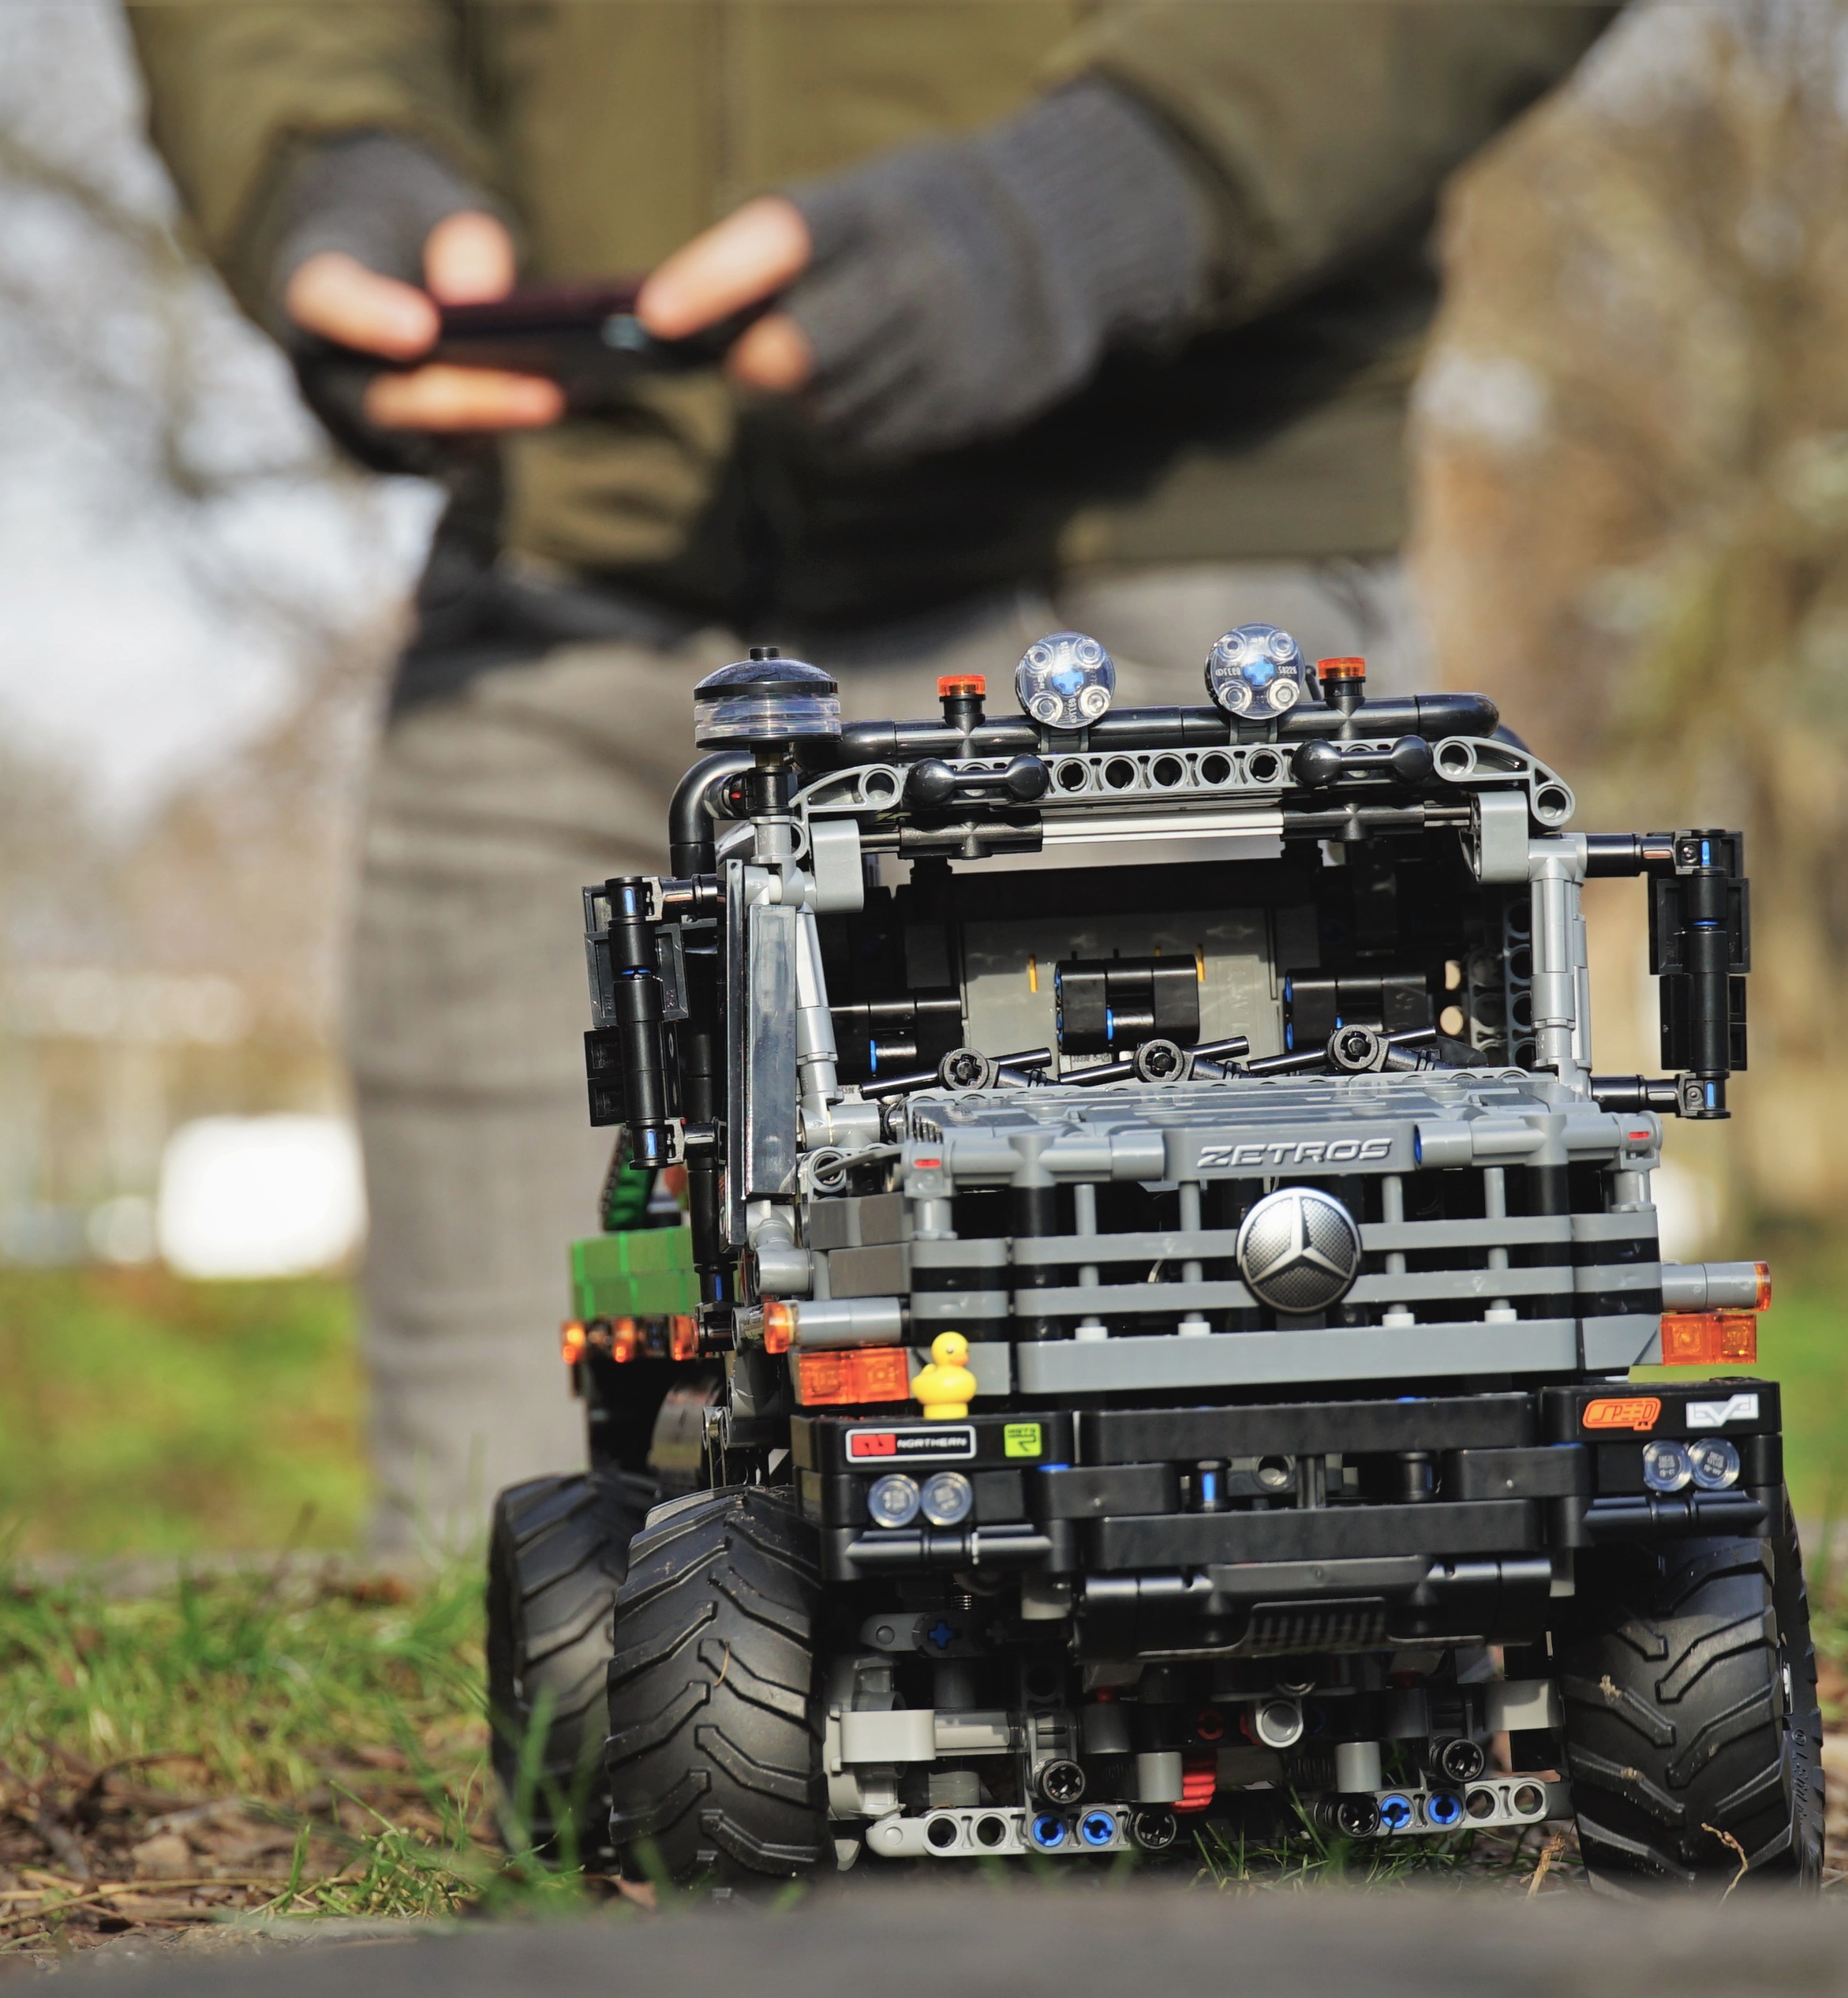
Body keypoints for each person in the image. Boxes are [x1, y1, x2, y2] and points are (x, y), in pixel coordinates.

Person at [125, 2, 1617, 1558]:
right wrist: (328, 151)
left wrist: (1117, 184)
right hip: (557, 606)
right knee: (509, 1582)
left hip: (1158, 584)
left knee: (1272, 1529)